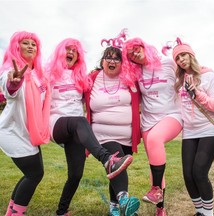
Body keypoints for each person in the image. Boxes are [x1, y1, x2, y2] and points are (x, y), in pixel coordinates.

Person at [46, 38, 134, 216]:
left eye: (74, 50)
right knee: (80, 121)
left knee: (76, 174)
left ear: (78, 56)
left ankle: (61, 212)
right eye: (67, 49)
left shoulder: (82, 77)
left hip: (77, 130)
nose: (71, 52)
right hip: (57, 122)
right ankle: (107, 160)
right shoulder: (48, 74)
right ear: (59, 53)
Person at [121, 37, 182, 216]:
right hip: (148, 122)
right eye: (131, 54)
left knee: (156, 139)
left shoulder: (168, 62)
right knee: (154, 166)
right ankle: (160, 208)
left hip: (172, 115)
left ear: (144, 46)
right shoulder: (137, 72)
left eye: (136, 48)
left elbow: (188, 70)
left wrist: (206, 71)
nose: (135, 54)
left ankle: (155, 190)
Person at [164, 38, 214, 216]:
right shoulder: (179, 81)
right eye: (177, 58)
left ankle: (209, 213)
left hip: (209, 130)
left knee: (199, 172)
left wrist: (197, 94)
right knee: (188, 176)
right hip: (190, 132)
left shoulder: (208, 76)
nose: (181, 59)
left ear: (191, 55)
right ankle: (200, 211)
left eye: (183, 55)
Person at [84, 33, 141, 216]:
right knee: (115, 161)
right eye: (108, 57)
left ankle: (114, 207)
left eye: (117, 58)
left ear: (122, 63)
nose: (112, 61)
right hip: (103, 135)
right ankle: (124, 201)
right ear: (102, 61)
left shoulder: (129, 79)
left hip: (127, 135)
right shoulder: (92, 79)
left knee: (116, 170)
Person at [0, 31, 50, 216]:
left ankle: (11, 212)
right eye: (25, 43)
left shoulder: (38, 75)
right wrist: (14, 82)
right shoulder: (9, 71)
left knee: (33, 174)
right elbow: (9, 88)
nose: (30, 46)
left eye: (34, 44)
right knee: (34, 174)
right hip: (12, 132)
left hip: (30, 133)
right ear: (16, 47)